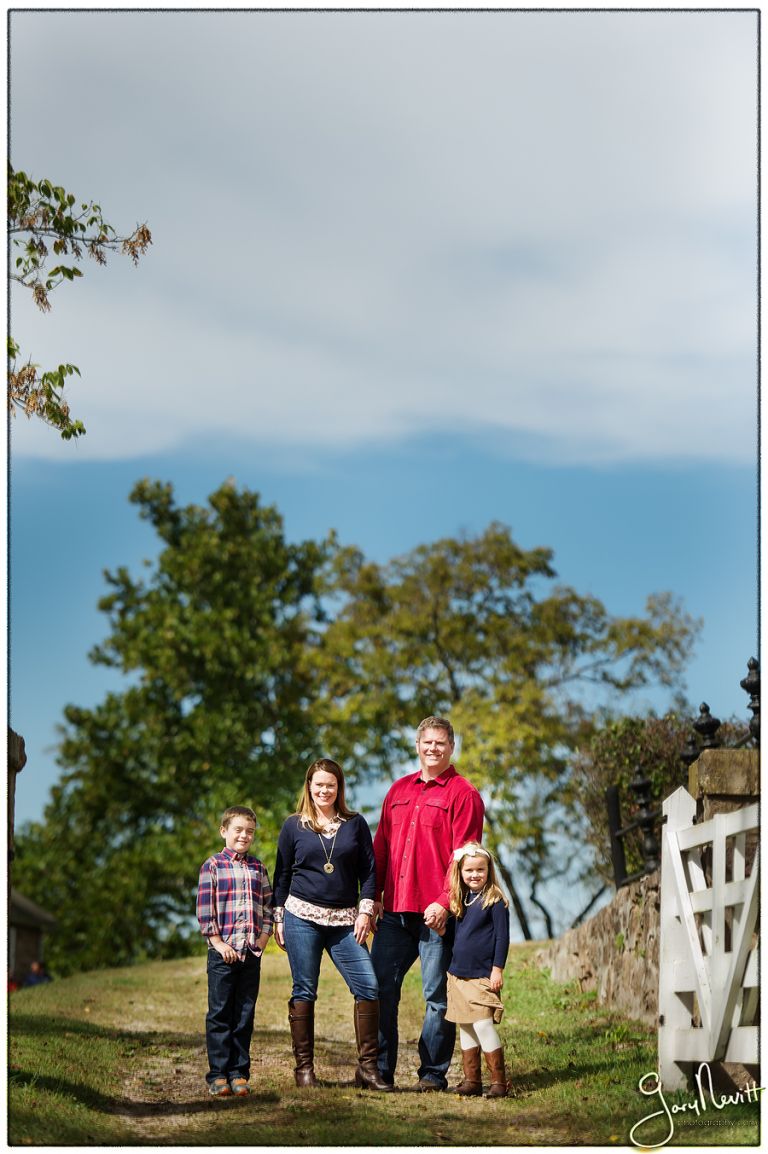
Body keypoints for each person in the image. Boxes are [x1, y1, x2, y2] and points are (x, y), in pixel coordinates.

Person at [371, 716, 485, 1091]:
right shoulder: (398, 790)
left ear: (451, 747)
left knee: (436, 995)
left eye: (441, 743)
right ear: (417, 746)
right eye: (427, 742)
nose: (433, 748)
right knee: (379, 987)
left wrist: (442, 901)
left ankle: (432, 1075)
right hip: (394, 912)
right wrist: (372, 898)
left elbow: (464, 858)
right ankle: (380, 1070)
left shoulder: (463, 793)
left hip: (437, 914)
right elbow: (381, 850)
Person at [273, 758, 391, 1092]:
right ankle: (304, 1070)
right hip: (301, 918)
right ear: (309, 786)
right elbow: (281, 875)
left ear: (339, 789)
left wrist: (366, 912)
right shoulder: (293, 825)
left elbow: (369, 872)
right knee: (304, 989)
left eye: (331, 785)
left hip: (345, 921)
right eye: (319, 784)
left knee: (368, 985)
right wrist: (279, 917)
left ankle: (368, 1070)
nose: (325, 790)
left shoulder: (355, 824)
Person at [196, 805, 273, 1097]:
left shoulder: (258, 867)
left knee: (244, 1014)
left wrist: (263, 939)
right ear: (224, 831)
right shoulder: (213, 866)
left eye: (250, 831)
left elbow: (267, 906)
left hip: (250, 953)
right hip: (222, 954)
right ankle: (218, 1074)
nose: (244, 835)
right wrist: (218, 943)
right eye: (238, 829)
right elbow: (205, 910)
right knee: (220, 1013)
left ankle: (239, 1072)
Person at [445, 842, 510, 1098]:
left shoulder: (495, 900)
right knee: (466, 1027)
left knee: (483, 1025)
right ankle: (472, 1080)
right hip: (458, 974)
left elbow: (502, 939)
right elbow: (458, 935)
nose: (475, 875)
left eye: (480, 870)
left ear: (489, 870)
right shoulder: (463, 899)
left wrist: (497, 969)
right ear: (460, 873)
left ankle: (499, 1082)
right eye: (469, 870)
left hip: (482, 974)